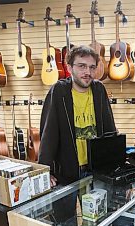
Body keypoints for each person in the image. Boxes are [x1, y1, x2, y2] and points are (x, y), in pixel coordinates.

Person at [39, 45, 116, 187]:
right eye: (82, 66)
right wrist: (45, 169)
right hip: (66, 168)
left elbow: (109, 126)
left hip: (96, 167)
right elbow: (48, 133)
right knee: (65, 209)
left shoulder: (99, 89)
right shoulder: (59, 91)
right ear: (69, 68)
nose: (88, 72)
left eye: (92, 67)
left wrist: (114, 161)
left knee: (99, 208)